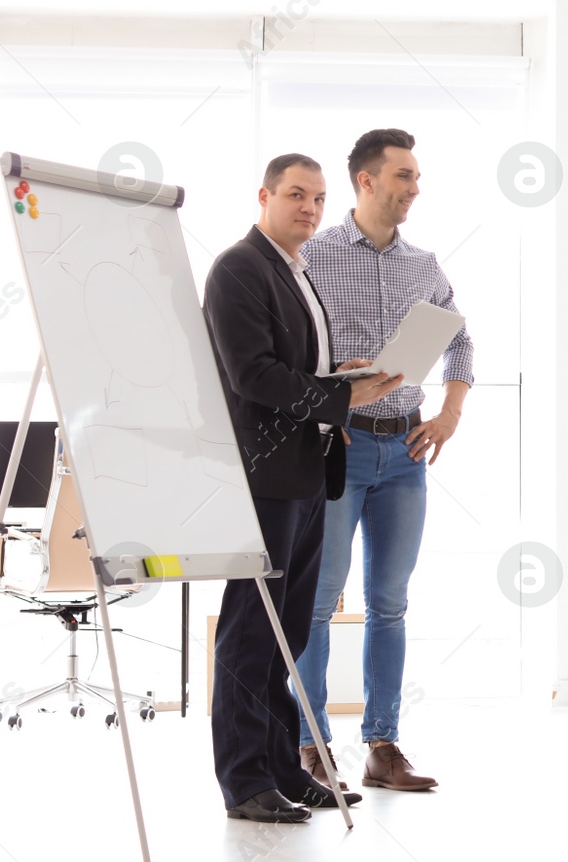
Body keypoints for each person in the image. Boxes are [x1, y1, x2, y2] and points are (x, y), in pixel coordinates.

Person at [203, 153, 400, 822]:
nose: (309, 208)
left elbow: (295, 369)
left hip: (307, 474)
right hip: (264, 478)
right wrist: (339, 401)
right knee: (251, 634)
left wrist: (341, 380)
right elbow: (252, 375)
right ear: (264, 195)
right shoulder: (239, 268)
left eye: (318, 198)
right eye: (295, 195)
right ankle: (244, 782)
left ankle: (282, 766)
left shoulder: (295, 269)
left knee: (285, 634)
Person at [296, 129, 474, 793]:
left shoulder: (424, 264)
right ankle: (311, 746)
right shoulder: (312, 254)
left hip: (403, 451)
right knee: (317, 600)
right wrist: (321, 406)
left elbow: (461, 346)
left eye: (417, 178)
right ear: (366, 181)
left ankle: (382, 745)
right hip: (336, 446)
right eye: (404, 176)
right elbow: (287, 347)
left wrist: (449, 416)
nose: (414, 189)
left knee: (390, 604)